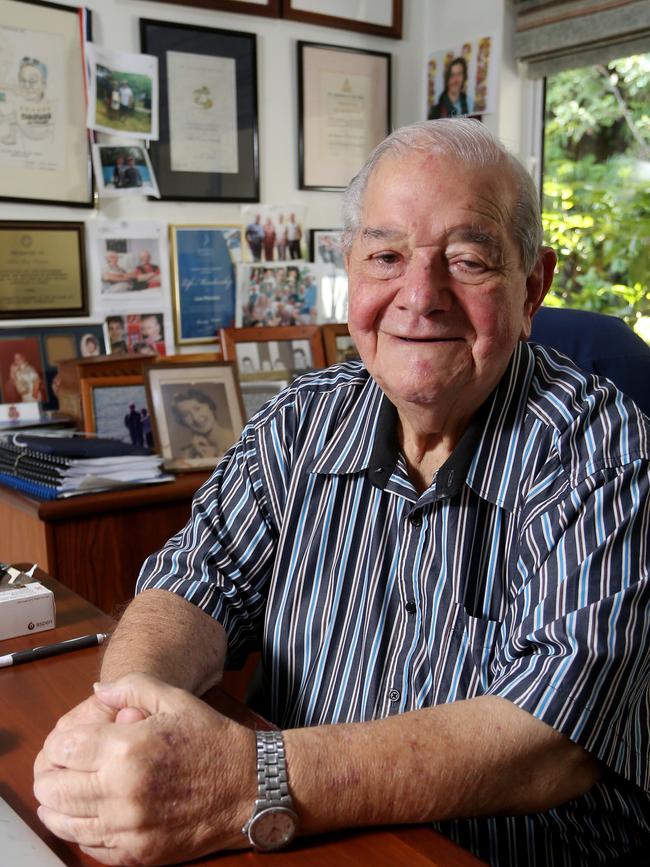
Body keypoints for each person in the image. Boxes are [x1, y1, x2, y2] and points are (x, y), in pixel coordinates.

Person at [34, 119, 650, 867]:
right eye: (386, 256)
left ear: (534, 287)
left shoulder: (606, 447)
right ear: (351, 274)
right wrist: (128, 710)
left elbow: (551, 740)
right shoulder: (301, 420)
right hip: (304, 841)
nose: (420, 297)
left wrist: (248, 782)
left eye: (468, 258)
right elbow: (193, 582)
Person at [170, 387, 234, 459]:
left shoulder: (235, 440)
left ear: (210, 406)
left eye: (198, 408)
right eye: (186, 415)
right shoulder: (188, 454)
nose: (195, 418)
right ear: (182, 421)